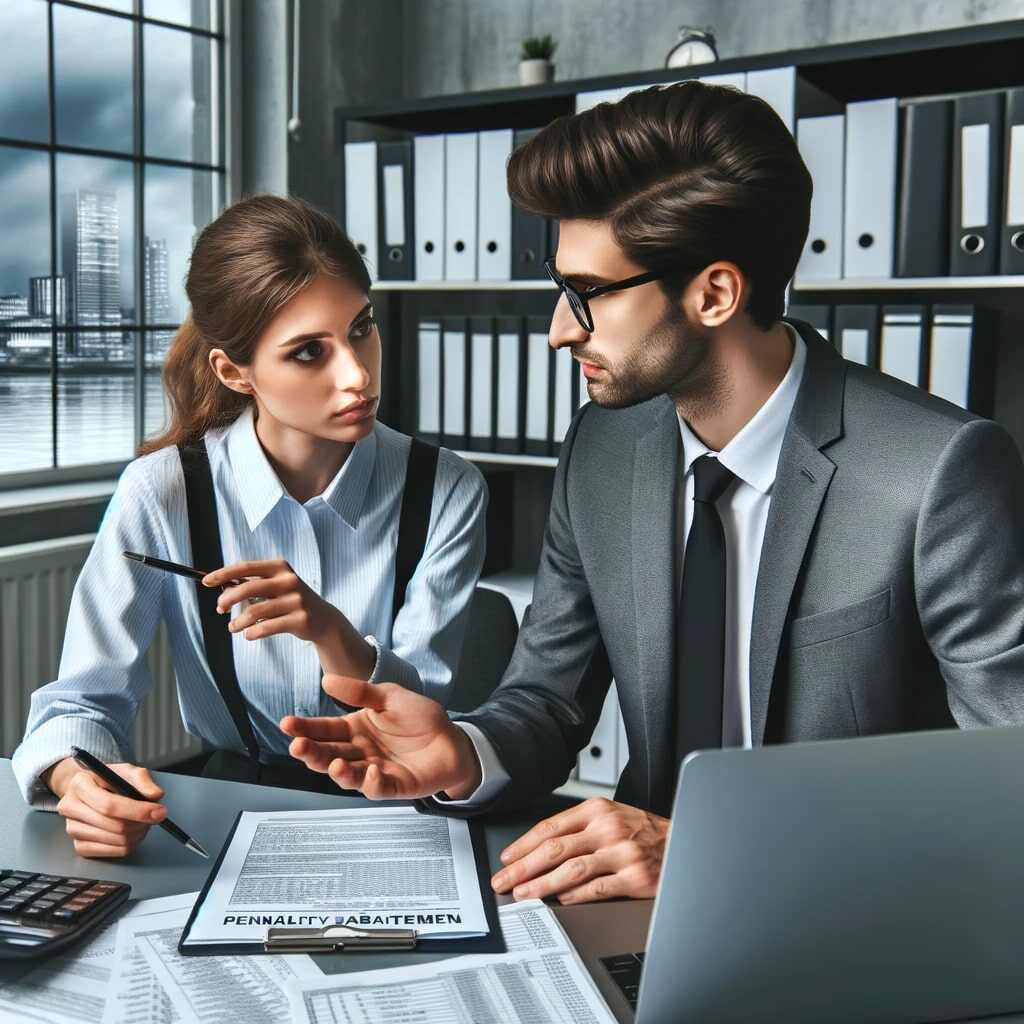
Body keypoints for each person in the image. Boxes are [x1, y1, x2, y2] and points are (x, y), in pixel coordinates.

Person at [281, 80, 1024, 904]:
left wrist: (718, 856)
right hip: (639, 916)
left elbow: (1007, 792)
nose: (562, 329)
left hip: (851, 917)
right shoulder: (602, 449)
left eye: (589, 295)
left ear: (714, 293)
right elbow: (547, 701)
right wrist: (463, 751)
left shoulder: (939, 472)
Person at [12, 194, 487, 859]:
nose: (357, 374)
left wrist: (330, 631)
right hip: (228, 813)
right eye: (307, 353)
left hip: (402, 811)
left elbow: (419, 721)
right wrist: (80, 783)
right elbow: (80, 706)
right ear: (235, 372)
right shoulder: (163, 490)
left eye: (361, 329)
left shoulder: (447, 487)